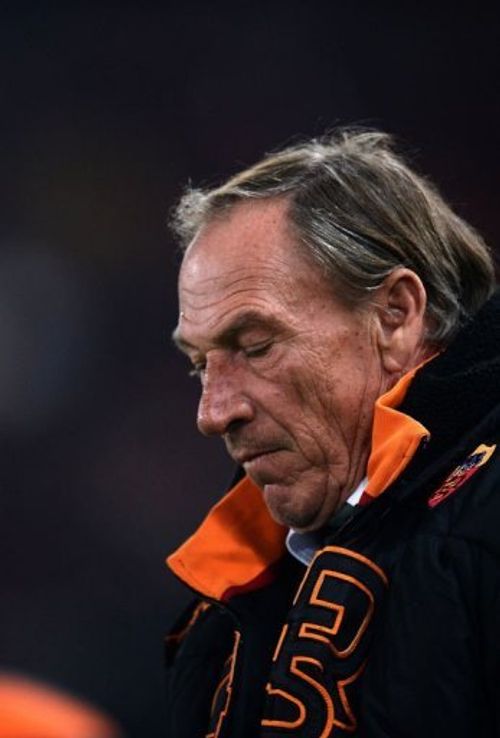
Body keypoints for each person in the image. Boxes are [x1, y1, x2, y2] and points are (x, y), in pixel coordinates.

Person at [165, 129, 500, 737]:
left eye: (256, 346)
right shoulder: (224, 602)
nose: (212, 414)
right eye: (199, 364)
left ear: (395, 315)